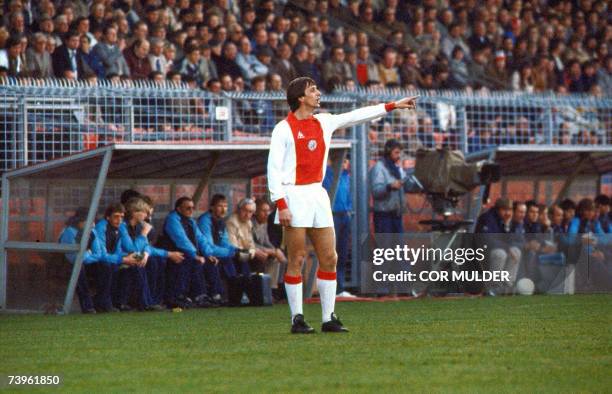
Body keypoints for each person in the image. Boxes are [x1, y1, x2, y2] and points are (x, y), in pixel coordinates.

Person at [267, 76, 417, 333]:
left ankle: (328, 318)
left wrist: (392, 105)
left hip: (317, 194)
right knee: (298, 257)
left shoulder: (324, 122)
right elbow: (273, 169)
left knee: (330, 257)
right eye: (312, 90)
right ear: (300, 98)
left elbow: (356, 115)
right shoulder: (283, 128)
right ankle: (297, 318)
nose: (317, 93)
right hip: (294, 196)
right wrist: (281, 204)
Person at [157, 197, 217, 309]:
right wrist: (194, 255)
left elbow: (201, 238)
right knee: (190, 261)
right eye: (188, 208)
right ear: (179, 209)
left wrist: (208, 253)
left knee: (211, 262)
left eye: (193, 208)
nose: (191, 211)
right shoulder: (172, 219)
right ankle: (179, 296)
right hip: (174, 253)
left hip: (188, 253)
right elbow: (181, 240)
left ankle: (211, 295)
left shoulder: (191, 222)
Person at [370, 139, 419, 234]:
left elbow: (407, 185)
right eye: (396, 152)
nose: (398, 156)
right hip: (384, 216)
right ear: (388, 152)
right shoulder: (379, 168)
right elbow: (376, 191)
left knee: (397, 247)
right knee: (385, 247)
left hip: (396, 214)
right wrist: (389, 187)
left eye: (399, 153)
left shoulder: (397, 168)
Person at [323, 158, 356, 298]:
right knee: (331, 252)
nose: (345, 164)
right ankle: (328, 288)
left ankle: (339, 287)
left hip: (344, 215)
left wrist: (348, 209)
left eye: (346, 161)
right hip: (332, 215)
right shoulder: (327, 174)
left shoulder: (345, 176)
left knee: (342, 253)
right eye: (343, 161)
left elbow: (348, 195)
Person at [252, 198, 287, 291]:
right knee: (272, 257)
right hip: (252, 252)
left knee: (277, 257)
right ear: (255, 211)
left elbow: (267, 241)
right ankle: (269, 289)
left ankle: (273, 288)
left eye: (268, 211)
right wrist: (273, 251)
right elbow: (251, 243)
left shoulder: (264, 223)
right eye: (263, 211)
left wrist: (275, 251)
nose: (267, 213)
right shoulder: (250, 223)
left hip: (262, 251)